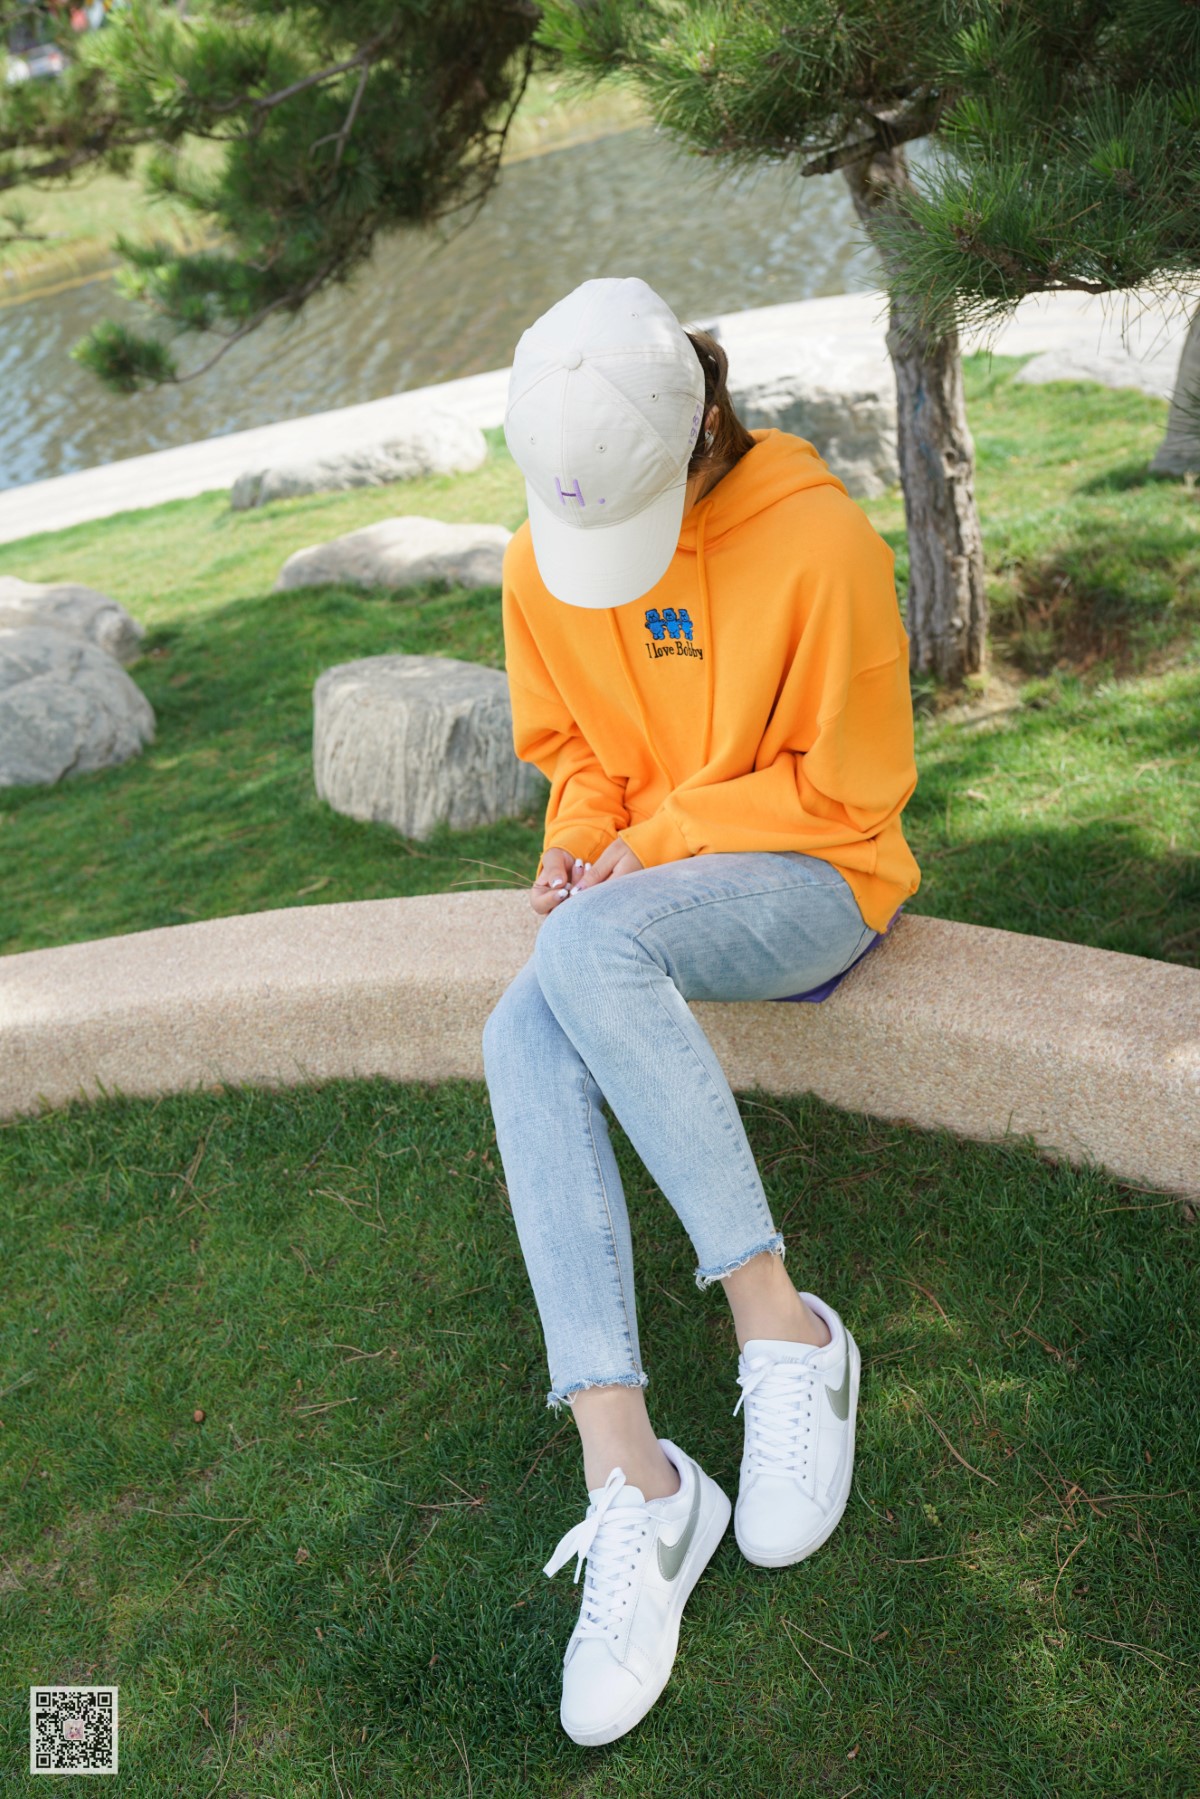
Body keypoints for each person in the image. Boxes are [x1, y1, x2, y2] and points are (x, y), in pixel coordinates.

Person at [481, 275, 921, 1748]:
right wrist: (579, 833)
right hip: (647, 892)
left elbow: (853, 788)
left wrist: (652, 845)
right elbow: (582, 751)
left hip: (817, 874)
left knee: (591, 952)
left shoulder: (820, 544)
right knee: (517, 1026)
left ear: (702, 420)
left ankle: (785, 1333)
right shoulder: (541, 550)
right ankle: (635, 1474)